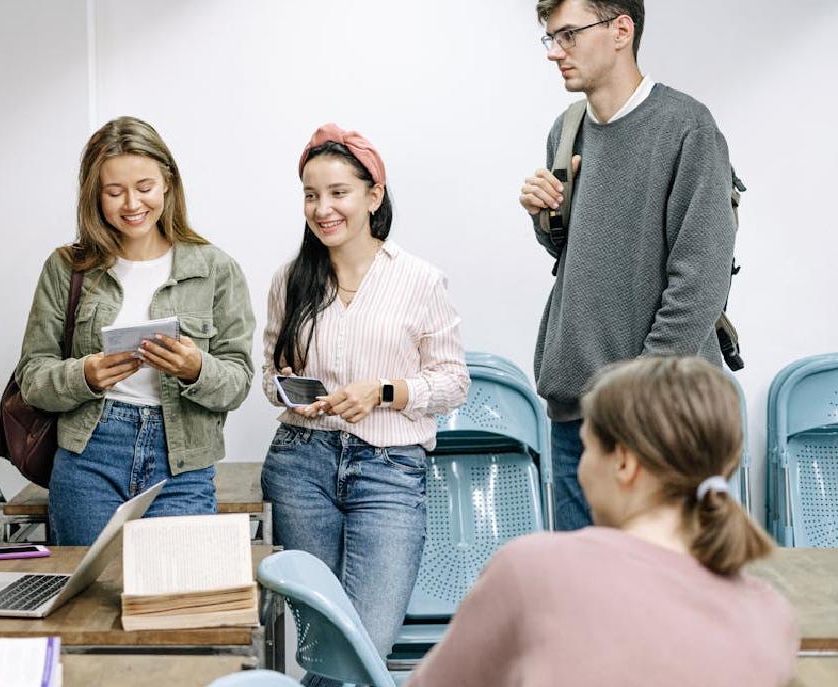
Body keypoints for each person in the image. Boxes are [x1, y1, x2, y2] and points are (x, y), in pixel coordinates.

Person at [408, 356, 797, 686]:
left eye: (588, 449)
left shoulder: (534, 569)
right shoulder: (771, 616)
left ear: (624, 462)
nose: (580, 469)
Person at [518, 0, 738, 530]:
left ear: (621, 30)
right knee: (585, 600)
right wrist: (544, 216)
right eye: (549, 38)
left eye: (568, 35)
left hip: (661, 416)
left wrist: (635, 397)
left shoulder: (687, 127)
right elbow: (579, 253)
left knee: (669, 598)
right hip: (577, 416)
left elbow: (700, 282)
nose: (554, 52)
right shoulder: (566, 130)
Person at [261, 122, 470, 681]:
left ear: (373, 196)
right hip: (300, 464)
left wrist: (384, 392)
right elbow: (268, 375)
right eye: (311, 195)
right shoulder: (290, 280)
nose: (322, 208)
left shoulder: (420, 280)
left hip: (391, 471)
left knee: (363, 642)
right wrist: (290, 392)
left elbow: (453, 381)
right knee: (321, 640)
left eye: (337, 193)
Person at [16, 116, 255, 546]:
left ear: (168, 183)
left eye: (144, 187)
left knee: (172, 601)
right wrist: (85, 375)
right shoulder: (66, 269)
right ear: (95, 195)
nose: (131, 204)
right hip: (89, 457)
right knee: (87, 604)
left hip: (182, 462)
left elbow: (238, 382)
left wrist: (195, 368)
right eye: (114, 191)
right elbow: (32, 377)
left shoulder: (215, 269)